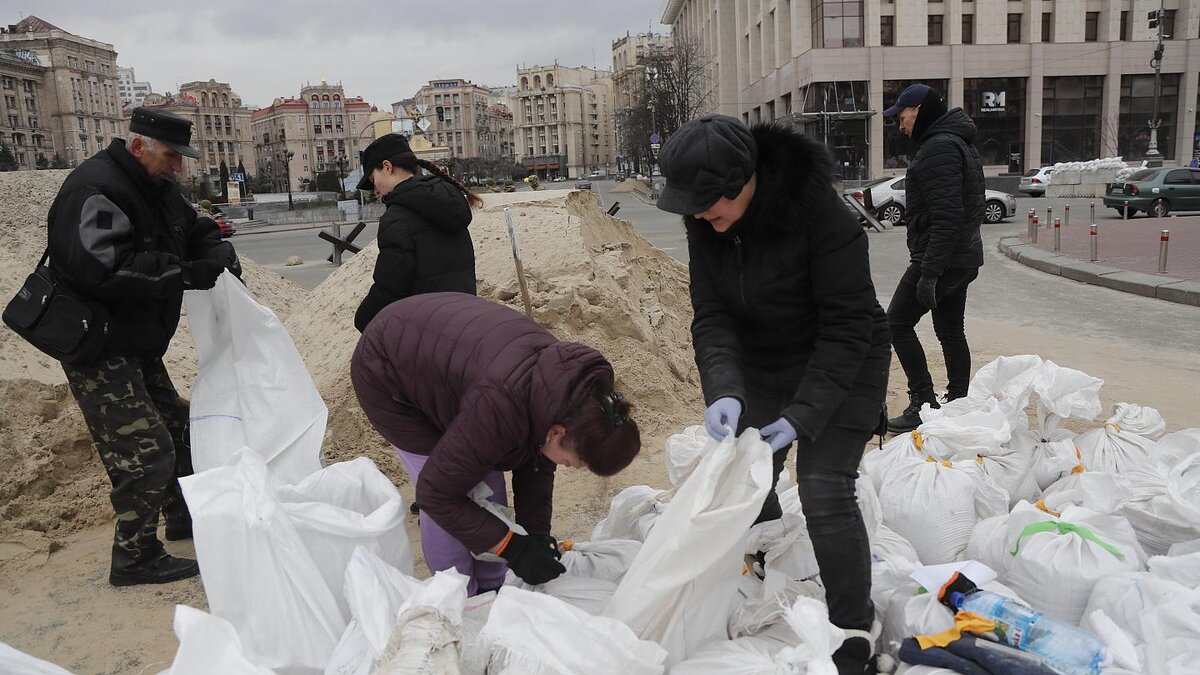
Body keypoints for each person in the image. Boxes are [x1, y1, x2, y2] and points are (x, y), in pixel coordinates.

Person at [655, 114, 892, 674]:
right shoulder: (705, 221)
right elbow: (712, 315)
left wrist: (805, 414)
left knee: (823, 484)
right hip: (765, 359)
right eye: (693, 209)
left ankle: (854, 625)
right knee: (746, 467)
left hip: (843, 357)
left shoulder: (823, 218)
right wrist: (725, 389)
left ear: (743, 182)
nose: (700, 219)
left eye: (709, 206)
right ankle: (756, 564)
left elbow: (847, 327)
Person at [47, 107, 241, 586]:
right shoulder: (94, 189)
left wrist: (213, 247)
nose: (178, 166)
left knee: (178, 431)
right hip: (98, 344)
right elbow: (102, 269)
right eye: (172, 156)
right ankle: (134, 558)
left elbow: (188, 228)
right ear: (139, 146)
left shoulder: (155, 186)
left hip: (136, 341)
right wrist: (183, 273)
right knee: (146, 453)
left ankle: (182, 518)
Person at [350, 292, 641, 594]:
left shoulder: (568, 400)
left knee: (487, 490)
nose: (568, 467)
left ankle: (491, 588)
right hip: (388, 370)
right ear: (557, 433)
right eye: (572, 462)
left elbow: (537, 464)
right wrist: (513, 548)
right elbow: (435, 493)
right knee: (452, 489)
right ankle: (456, 595)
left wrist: (535, 536)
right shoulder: (502, 404)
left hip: (452, 360)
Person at [882, 84, 985, 432]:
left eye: (902, 114)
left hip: (941, 258)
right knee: (951, 330)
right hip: (960, 257)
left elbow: (947, 216)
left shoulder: (939, 147)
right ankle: (958, 402)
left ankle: (922, 401)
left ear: (920, 110)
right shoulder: (956, 141)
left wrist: (929, 273)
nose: (900, 123)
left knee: (895, 322)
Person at [353, 133, 480, 332]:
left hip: (426, 332)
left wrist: (362, 320)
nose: (375, 190)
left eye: (373, 178)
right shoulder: (450, 202)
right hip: (465, 324)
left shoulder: (397, 219)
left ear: (387, 167)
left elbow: (390, 288)